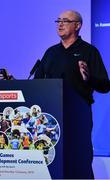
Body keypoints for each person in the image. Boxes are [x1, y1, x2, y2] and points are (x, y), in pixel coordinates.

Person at [34, 10, 110, 179]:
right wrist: (14, 81)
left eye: (65, 21)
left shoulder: (89, 51)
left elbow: (105, 85)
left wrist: (89, 78)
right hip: (50, 117)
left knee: (79, 160)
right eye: (58, 21)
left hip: (78, 115)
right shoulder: (51, 52)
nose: (60, 24)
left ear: (78, 25)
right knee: (52, 159)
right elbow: (37, 83)